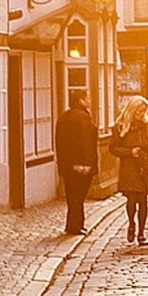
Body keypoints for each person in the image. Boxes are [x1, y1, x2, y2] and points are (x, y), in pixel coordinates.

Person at [110, 97, 148, 244]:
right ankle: (131, 223)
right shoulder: (120, 126)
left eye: (143, 111)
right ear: (132, 110)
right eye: (139, 111)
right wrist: (129, 152)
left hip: (146, 166)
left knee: (143, 200)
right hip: (129, 167)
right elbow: (113, 148)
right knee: (132, 199)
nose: (141, 114)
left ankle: (141, 233)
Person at [54, 98, 100, 237]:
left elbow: (59, 142)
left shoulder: (63, 117)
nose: (90, 100)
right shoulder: (83, 118)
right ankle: (76, 225)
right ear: (81, 100)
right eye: (87, 98)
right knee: (78, 195)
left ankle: (72, 224)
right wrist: (88, 164)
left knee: (71, 194)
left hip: (68, 164)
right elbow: (87, 142)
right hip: (81, 164)